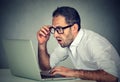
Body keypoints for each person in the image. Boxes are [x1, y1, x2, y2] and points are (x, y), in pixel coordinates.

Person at [37, 6, 120, 82]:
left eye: (59, 29)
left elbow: (112, 77)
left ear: (74, 28)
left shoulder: (93, 42)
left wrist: (73, 72)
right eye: (54, 29)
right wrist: (42, 44)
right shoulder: (66, 42)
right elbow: (46, 67)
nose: (55, 35)